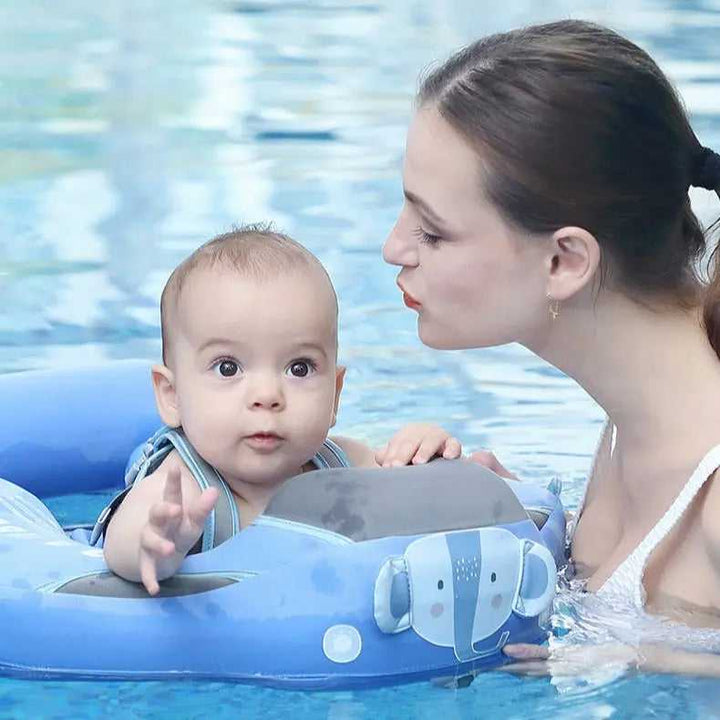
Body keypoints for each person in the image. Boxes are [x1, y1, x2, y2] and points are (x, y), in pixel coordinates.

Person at [382, 19, 720, 675]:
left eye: (433, 230)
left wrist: (627, 656)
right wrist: (515, 514)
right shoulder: (630, 424)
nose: (395, 248)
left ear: (565, 260)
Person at [100, 225, 461, 595]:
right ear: (172, 396)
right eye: (228, 368)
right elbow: (123, 542)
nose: (268, 395)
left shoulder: (343, 463)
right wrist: (157, 545)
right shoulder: (183, 487)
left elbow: (415, 499)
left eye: (299, 368)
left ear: (335, 395)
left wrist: (422, 452)